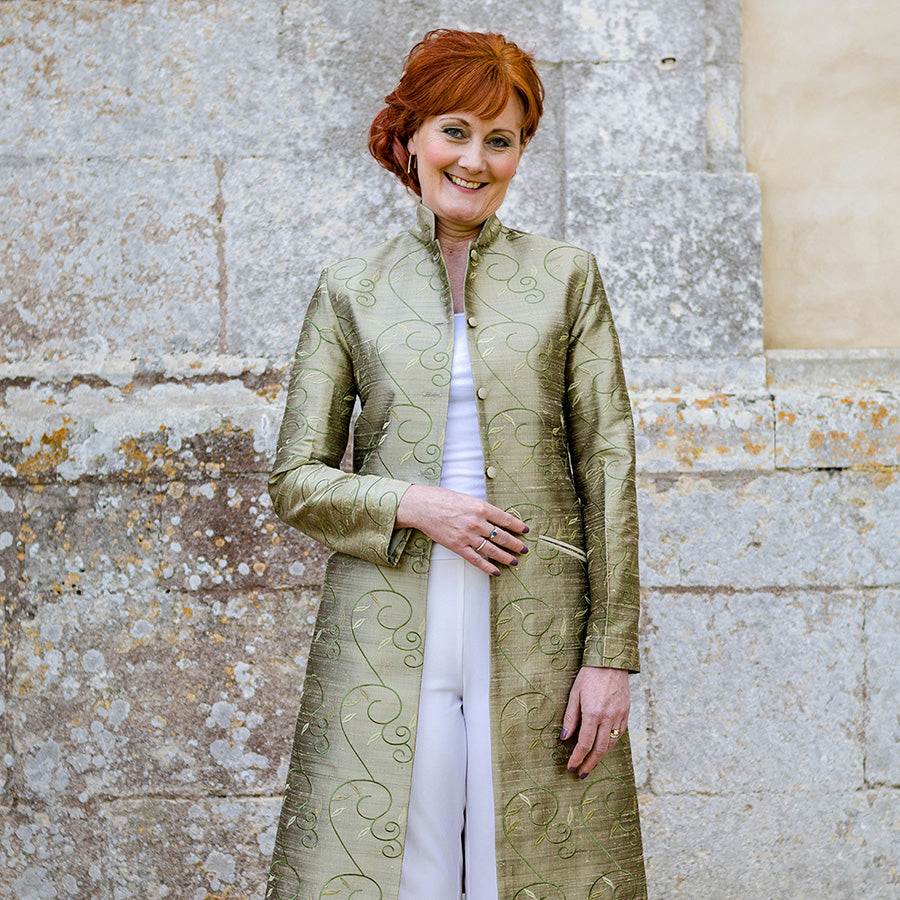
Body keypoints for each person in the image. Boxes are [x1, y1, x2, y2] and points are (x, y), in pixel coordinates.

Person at [266, 29, 646, 900]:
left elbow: (609, 467)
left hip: (539, 621)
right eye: (454, 130)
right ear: (409, 139)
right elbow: (295, 478)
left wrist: (610, 655)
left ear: (519, 154)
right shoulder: (350, 286)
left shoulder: (567, 279)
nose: (475, 160)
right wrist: (416, 505)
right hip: (390, 621)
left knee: (534, 869)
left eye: (500, 139)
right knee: (408, 869)